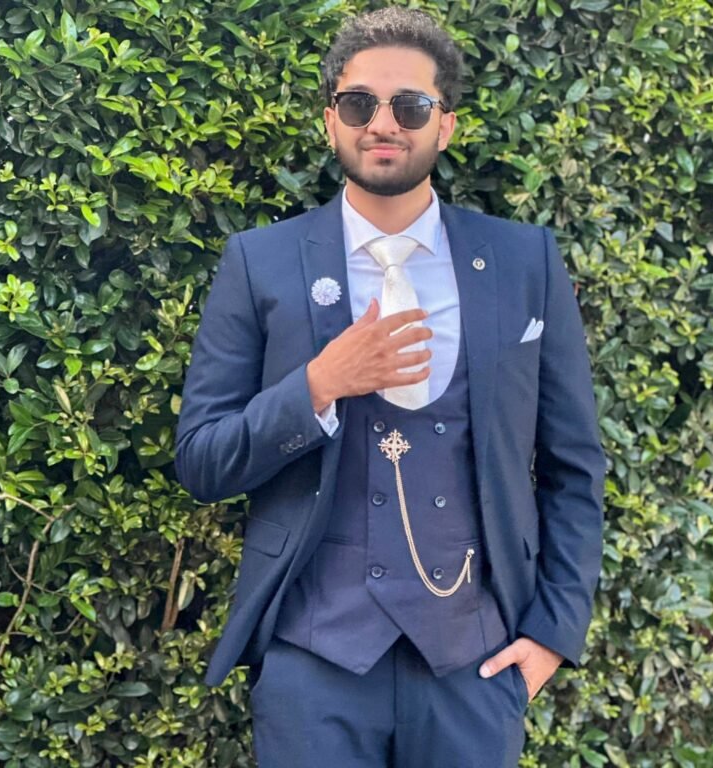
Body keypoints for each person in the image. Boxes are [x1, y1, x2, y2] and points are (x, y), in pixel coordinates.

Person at [175, 7, 605, 767]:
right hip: (314, 663)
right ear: (330, 121)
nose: (383, 124)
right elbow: (203, 461)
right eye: (358, 104)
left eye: (410, 105)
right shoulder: (260, 262)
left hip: (474, 665)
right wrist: (317, 385)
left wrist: (551, 634)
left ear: (445, 125)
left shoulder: (523, 262)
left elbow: (575, 468)